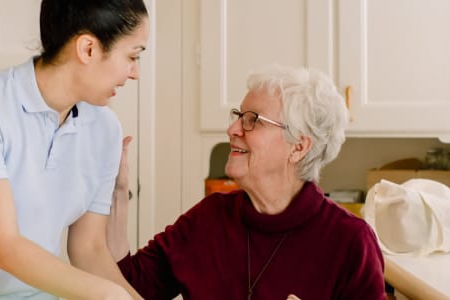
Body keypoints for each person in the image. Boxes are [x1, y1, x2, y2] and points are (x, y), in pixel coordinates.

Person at [0, 0, 148, 299]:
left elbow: (89, 250)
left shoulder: (105, 129)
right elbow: (5, 247)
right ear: (88, 49)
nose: (135, 73)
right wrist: (109, 295)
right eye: (132, 56)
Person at [108, 64, 386, 299]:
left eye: (253, 120)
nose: (232, 129)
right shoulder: (208, 219)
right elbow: (129, 287)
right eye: (238, 116)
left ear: (298, 147)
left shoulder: (350, 242)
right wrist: (118, 194)